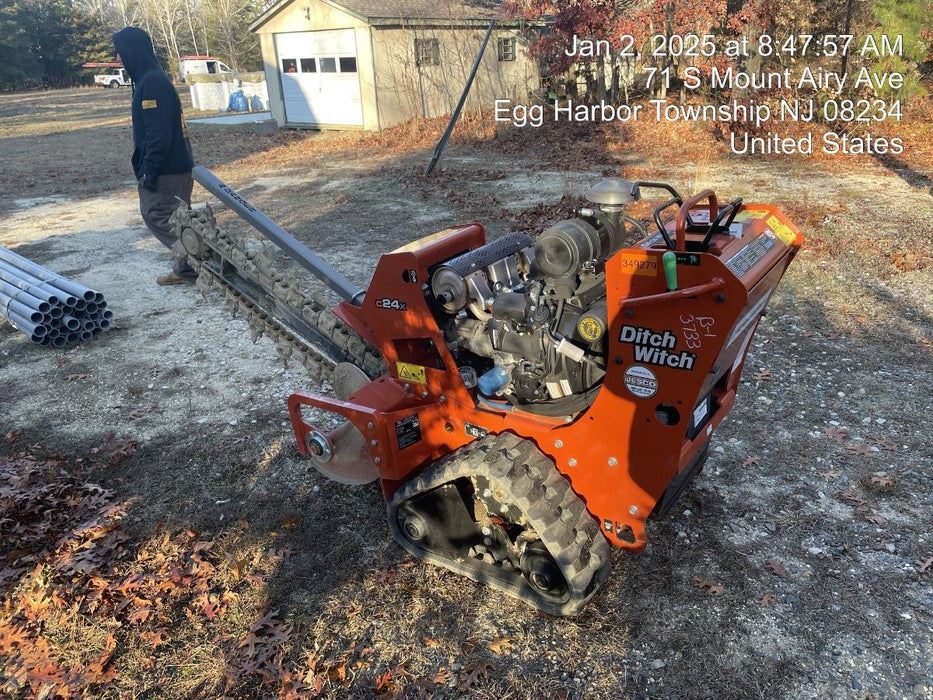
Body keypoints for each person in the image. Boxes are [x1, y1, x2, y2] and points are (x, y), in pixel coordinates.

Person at [113, 27, 196, 285]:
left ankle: (203, 258)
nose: (118, 60)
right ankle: (188, 269)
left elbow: (157, 133)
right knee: (178, 217)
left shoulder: (151, 83)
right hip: (177, 164)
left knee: (157, 214)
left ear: (131, 51)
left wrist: (150, 169)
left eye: (120, 53)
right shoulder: (152, 79)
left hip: (167, 169)